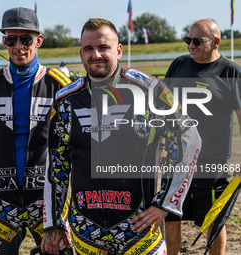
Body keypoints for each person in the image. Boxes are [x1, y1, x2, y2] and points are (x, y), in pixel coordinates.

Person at [41, 18, 201, 255]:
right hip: (86, 232)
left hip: (140, 232)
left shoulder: (149, 90)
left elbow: (188, 137)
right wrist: (53, 223)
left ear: (118, 50)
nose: (96, 54)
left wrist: (165, 202)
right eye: (88, 49)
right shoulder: (66, 100)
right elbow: (57, 166)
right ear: (81, 53)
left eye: (103, 47)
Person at [0, 7, 71, 255]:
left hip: (47, 201)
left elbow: (71, 147)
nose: (18, 47)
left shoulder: (60, 86)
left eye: (26, 39)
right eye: (11, 39)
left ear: (38, 40)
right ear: (4, 41)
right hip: (2, 200)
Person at [162, 19, 241, 255]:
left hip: (212, 161)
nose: (191, 45)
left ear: (216, 42)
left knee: (214, 218)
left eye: (198, 41)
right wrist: (162, 148)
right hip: (176, 158)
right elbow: (163, 108)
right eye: (188, 40)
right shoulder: (178, 65)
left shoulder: (230, 71)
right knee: (170, 215)